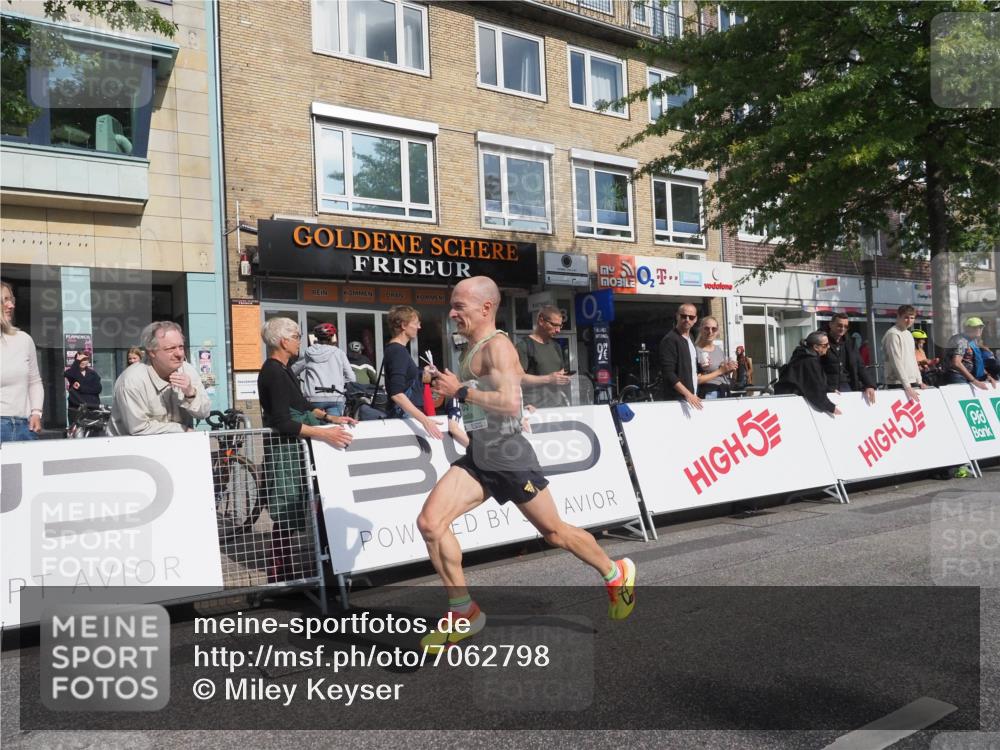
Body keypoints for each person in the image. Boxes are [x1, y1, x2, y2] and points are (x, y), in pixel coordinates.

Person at [418, 277, 636, 652]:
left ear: (486, 308)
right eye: (452, 306)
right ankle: (463, 610)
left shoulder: (498, 346)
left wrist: (461, 390)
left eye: (459, 307)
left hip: (508, 455)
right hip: (481, 453)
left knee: (554, 532)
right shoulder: (473, 348)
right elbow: (488, 395)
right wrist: (446, 388)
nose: (452, 313)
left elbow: (510, 403)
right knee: (430, 524)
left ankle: (616, 573)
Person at [257, 317, 355, 582]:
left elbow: (302, 404)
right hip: (285, 450)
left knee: (295, 507)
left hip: (294, 449)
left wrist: (334, 419)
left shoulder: (285, 369)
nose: (301, 340)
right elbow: (283, 421)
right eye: (297, 336)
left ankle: (290, 570)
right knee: (286, 508)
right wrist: (325, 433)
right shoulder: (273, 372)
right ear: (283, 341)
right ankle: (279, 574)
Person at [108, 321, 211, 435]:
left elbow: (204, 413)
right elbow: (138, 429)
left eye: (181, 347)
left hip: (174, 446)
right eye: (170, 349)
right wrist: (182, 430)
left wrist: (190, 393)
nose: (179, 354)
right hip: (129, 448)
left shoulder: (187, 370)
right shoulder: (131, 381)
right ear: (152, 352)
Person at [365, 305, 442, 438]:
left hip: (407, 415)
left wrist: (422, 372)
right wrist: (425, 421)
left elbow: (404, 382)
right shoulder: (398, 351)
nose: (419, 327)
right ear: (404, 325)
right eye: (416, 323)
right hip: (405, 417)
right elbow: (397, 393)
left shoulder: (395, 349)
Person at [0, 281, 43, 443]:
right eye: (3, 300)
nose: (10, 305)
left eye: (11, 300)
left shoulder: (23, 340)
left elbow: (34, 381)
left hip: (25, 426)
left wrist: (36, 412)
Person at [291, 322, 355, 416]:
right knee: (334, 427)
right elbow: (351, 378)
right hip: (335, 397)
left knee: (315, 429)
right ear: (332, 336)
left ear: (316, 337)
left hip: (313, 398)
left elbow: (292, 372)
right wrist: (340, 385)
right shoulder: (339, 353)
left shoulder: (308, 353)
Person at [516, 305, 571, 408]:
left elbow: (560, 373)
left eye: (560, 326)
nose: (558, 330)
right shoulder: (524, 346)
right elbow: (519, 378)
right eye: (554, 325)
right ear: (541, 321)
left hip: (557, 407)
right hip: (534, 409)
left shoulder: (556, 346)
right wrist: (549, 379)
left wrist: (564, 378)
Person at [774, 331, 841, 416]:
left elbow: (809, 381)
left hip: (787, 399)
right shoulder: (809, 361)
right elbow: (814, 388)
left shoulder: (803, 356)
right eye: (825, 345)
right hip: (791, 402)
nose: (828, 347)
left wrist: (829, 388)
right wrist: (831, 407)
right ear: (816, 347)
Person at [824, 313, 876, 403]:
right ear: (831, 324)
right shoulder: (821, 342)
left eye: (845, 326)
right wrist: (826, 387)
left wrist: (869, 385)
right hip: (829, 388)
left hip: (848, 386)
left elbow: (860, 366)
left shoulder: (850, 344)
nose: (842, 329)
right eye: (839, 325)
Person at [659, 302, 702, 410]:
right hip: (676, 401)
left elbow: (690, 367)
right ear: (677, 316)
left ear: (695, 319)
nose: (687, 319)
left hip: (691, 398)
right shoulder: (670, 340)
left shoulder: (691, 337)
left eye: (691, 317)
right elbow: (669, 373)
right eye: (684, 316)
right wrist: (688, 394)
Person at [882, 305, 926, 402]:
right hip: (897, 383)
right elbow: (896, 361)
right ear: (898, 317)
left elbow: (913, 360)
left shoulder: (909, 334)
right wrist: (907, 386)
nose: (909, 320)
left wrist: (920, 381)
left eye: (912, 318)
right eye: (906, 317)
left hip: (912, 382)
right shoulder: (893, 334)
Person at [945, 317, 998, 389]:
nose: (979, 330)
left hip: (968, 377)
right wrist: (974, 381)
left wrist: (987, 376)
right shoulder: (961, 340)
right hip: (958, 377)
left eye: (981, 327)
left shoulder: (973, 340)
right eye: (976, 327)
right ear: (968, 329)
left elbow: (977, 361)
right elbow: (956, 363)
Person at [695, 317, 737, 399]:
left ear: (717, 331)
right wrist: (720, 371)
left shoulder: (718, 349)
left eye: (713, 329)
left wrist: (729, 368)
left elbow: (723, 371)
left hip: (724, 391)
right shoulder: (696, 351)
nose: (710, 332)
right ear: (700, 329)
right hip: (709, 393)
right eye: (706, 328)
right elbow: (696, 380)